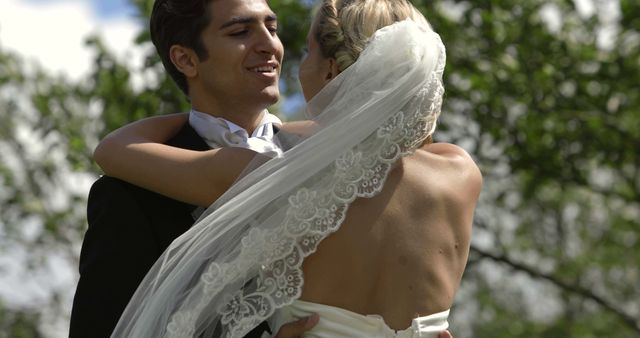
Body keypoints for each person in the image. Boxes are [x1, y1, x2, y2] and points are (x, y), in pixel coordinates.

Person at [98, 0, 479, 337]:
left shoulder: (265, 174)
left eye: (305, 51)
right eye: (241, 31)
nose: (275, 48)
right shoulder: (459, 172)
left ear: (331, 71)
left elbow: (112, 148)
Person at [69, 0, 325, 336]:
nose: (270, 45)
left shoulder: (327, 156)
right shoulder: (129, 194)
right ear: (186, 59)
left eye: (272, 28)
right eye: (240, 31)